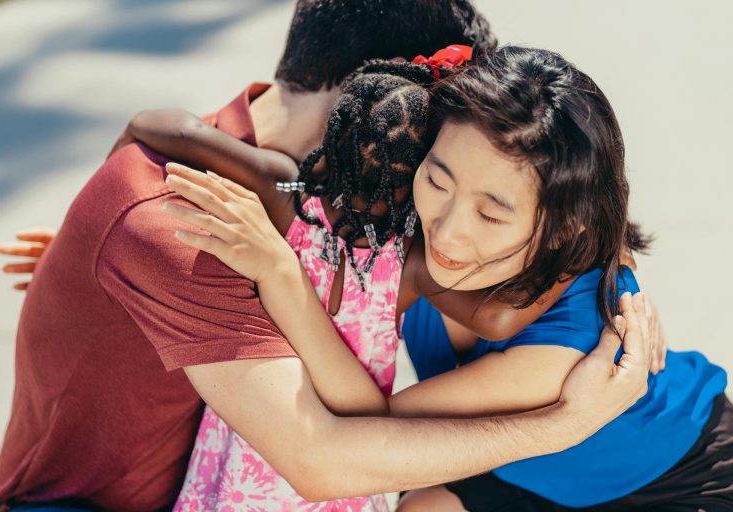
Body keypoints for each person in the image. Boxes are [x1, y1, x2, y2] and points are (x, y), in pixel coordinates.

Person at [0, 2, 653, 511]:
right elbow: (322, 456)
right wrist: (569, 420)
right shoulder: (193, 215)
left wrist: (615, 289)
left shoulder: (310, 197)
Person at [156, 47, 729, 511]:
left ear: (563, 225)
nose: (447, 235)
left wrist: (283, 278)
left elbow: (369, 436)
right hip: (528, 476)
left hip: (678, 480)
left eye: (491, 214)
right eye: (439, 179)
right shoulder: (428, 189)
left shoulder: (568, 351)